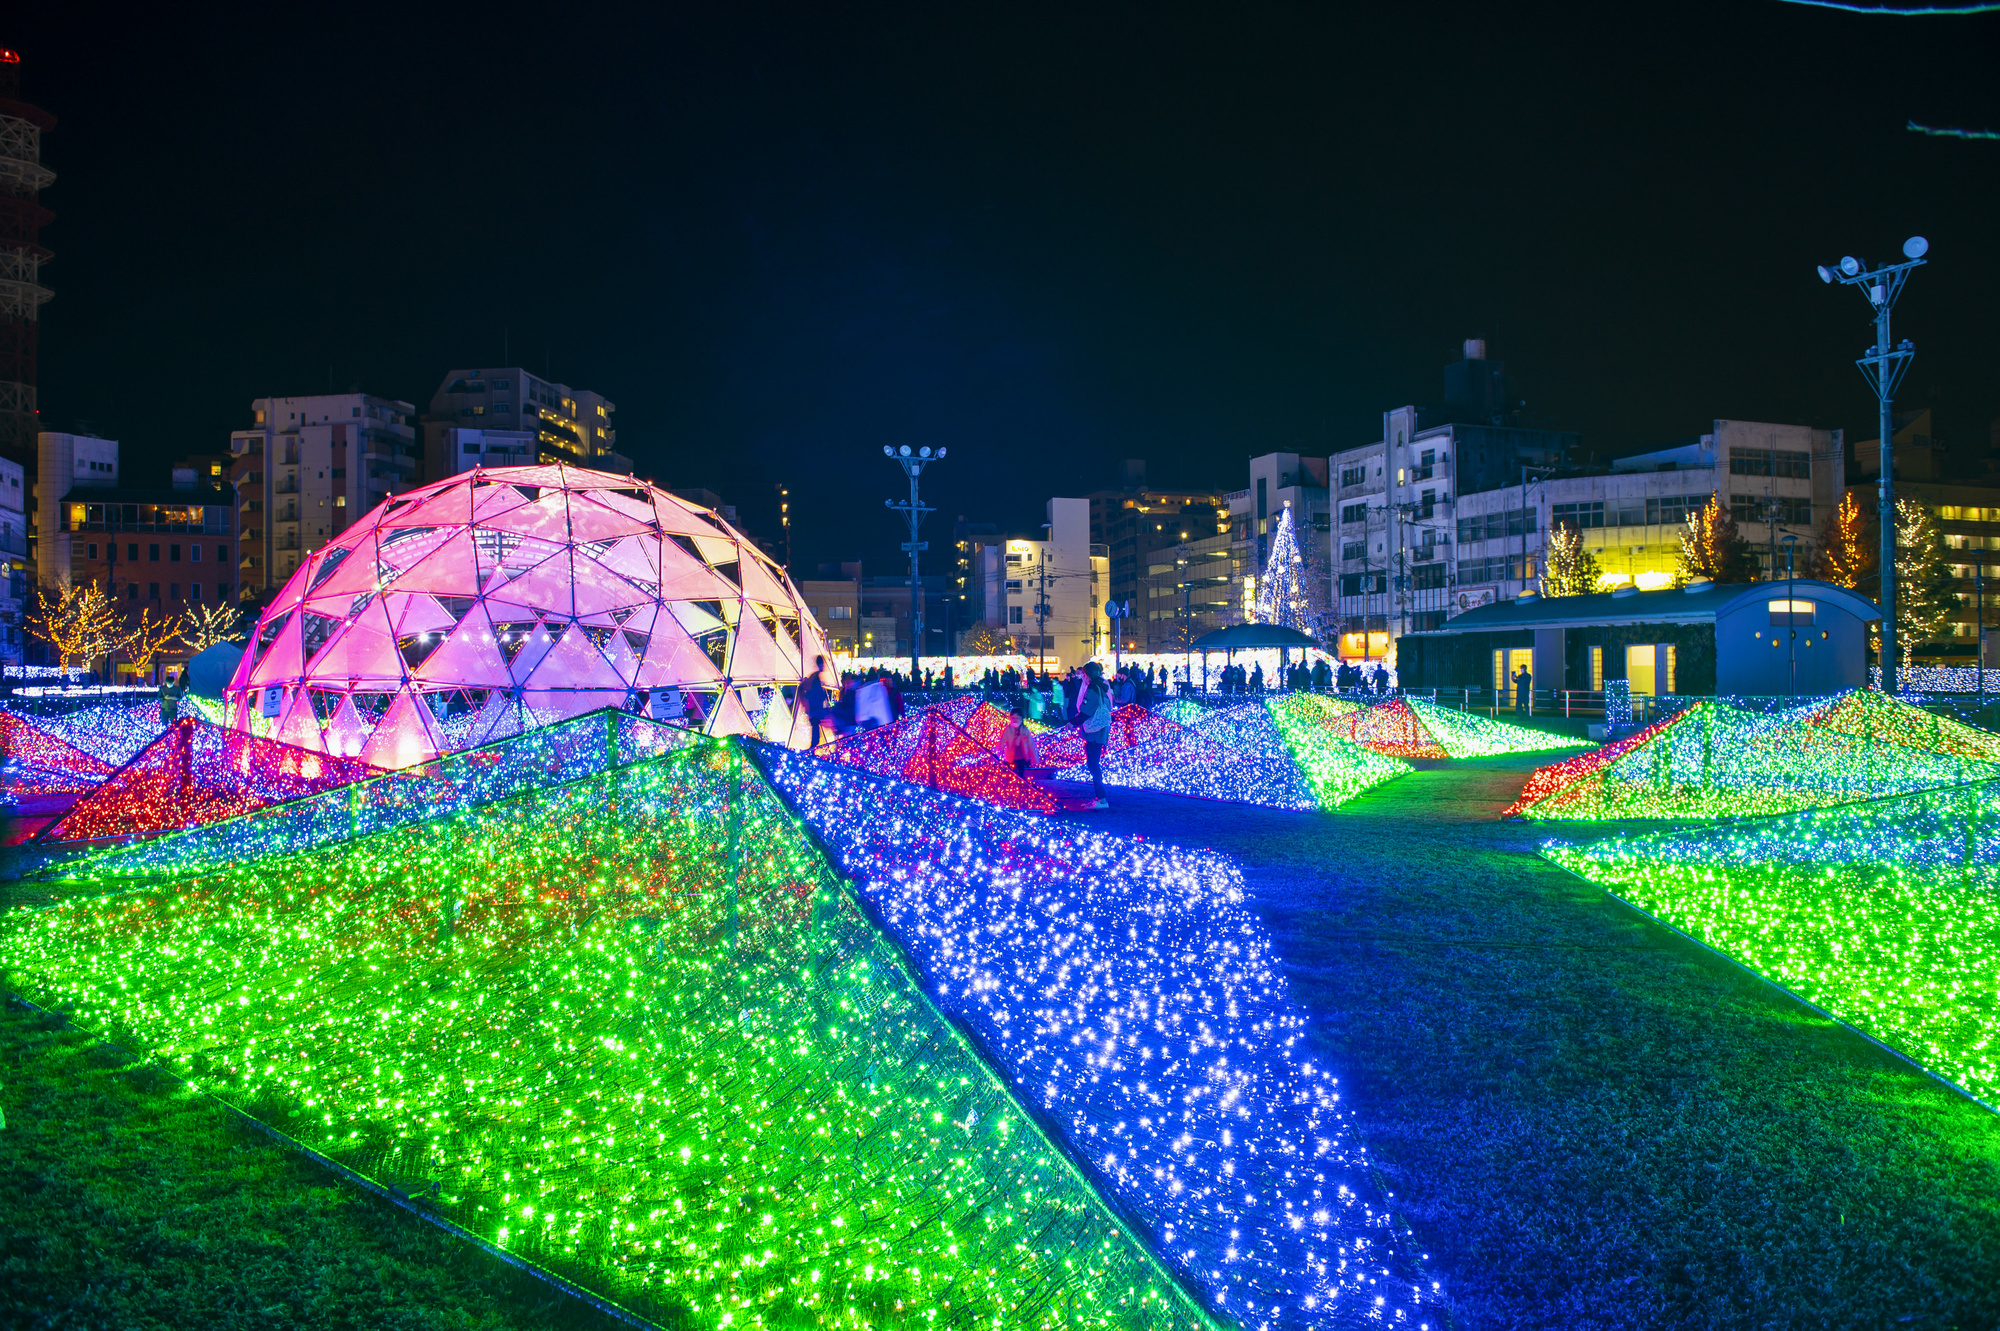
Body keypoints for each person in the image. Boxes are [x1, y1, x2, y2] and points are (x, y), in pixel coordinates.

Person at [1077, 661, 1112, 808]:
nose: (1082, 677)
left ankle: (1102, 799)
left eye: (1083, 674)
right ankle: (1100, 798)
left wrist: (1073, 722)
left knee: (1093, 765)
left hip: (1094, 733)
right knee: (1093, 764)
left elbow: (1086, 710)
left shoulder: (1093, 688)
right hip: (1100, 731)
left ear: (1087, 674)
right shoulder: (1102, 688)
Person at [997, 706, 1038, 775]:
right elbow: (1002, 741)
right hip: (1010, 758)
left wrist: (1034, 759)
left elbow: (1031, 744)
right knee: (1011, 775)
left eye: (1017, 718)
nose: (1015, 720)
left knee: (1021, 774)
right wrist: (998, 753)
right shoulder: (1008, 730)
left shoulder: (1025, 730)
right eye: (1013, 718)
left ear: (1021, 719)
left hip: (1022, 758)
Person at [801, 654, 831, 746]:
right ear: (820, 664)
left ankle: (814, 749)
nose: (824, 667)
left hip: (815, 710)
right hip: (815, 711)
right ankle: (812, 751)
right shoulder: (815, 678)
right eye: (823, 664)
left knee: (816, 734)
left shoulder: (815, 677)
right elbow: (812, 693)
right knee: (816, 736)